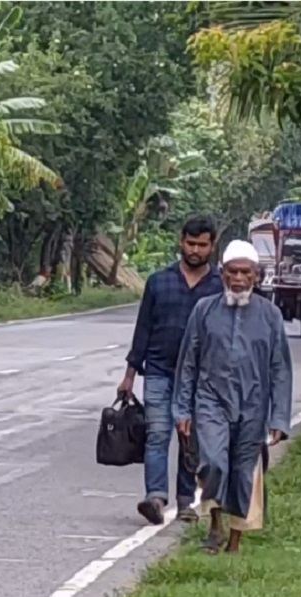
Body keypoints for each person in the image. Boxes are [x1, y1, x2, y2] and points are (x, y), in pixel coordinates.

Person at [173, 240, 293, 554]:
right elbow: (188, 362)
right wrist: (182, 410)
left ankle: (235, 541)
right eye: (232, 272)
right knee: (212, 462)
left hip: (254, 405)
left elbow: (280, 368)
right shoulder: (204, 310)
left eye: (245, 273)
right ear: (222, 274)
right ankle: (214, 523)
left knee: (244, 472)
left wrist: (279, 417)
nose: (238, 279)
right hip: (211, 400)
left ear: (257, 276)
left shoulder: (270, 316)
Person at [119, 216, 224, 525]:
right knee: (157, 434)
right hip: (158, 372)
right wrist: (129, 376)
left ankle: (185, 502)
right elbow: (143, 330)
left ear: (211, 246)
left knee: (191, 441)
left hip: (201, 379)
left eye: (201, 245)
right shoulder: (158, 282)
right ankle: (155, 497)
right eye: (190, 243)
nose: (195, 250)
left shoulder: (219, 286)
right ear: (181, 242)